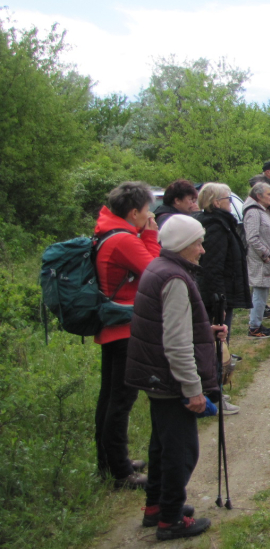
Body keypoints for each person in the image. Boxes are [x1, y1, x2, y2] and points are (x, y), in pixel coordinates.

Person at [125, 215, 226, 541]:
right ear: (183, 246)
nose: (202, 249)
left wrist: (203, 329)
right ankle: (170, 519)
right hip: (170, 380)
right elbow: (177, 343)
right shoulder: (176, 280)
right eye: (198, 243)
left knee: (161, 446)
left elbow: (168, 325)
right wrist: (193, 389)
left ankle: (156, 507)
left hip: (155, 376)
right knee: (181, 451)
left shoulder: (158, 268)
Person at [93, 181, 161, 489]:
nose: (150, 216)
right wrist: (150, 234)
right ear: (134, 212)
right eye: (147, 211)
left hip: (115, 325)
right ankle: (121, 472)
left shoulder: (109, 231)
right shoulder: (123, 240)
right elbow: (154, 272)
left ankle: (109, 461)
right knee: (120, 400)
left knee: (110, 398)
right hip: (124, 327)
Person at [195, 183, 249, 416]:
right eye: (228, 198)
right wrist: (219, 301)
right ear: (216, 202)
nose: (231, 202)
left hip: (222, 293)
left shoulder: (221, 223)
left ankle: (214, 392)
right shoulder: (215, 227)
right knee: (216, 348)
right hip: (217, 297)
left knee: (219, 347)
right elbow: (212, 267)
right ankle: (213, 397)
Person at [243, 182, 270, 338]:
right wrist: (266, 253)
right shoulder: (253, 212)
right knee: (259, 292)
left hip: (265, 259)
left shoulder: (261, 211)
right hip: (260, 261)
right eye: (268, 194)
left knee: (262, 292)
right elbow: (252, 237)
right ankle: (254, 327)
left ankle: (256, 323)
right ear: (259, 196)